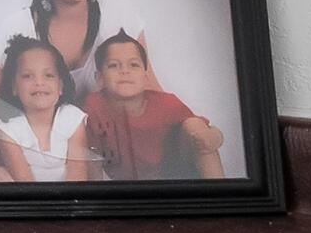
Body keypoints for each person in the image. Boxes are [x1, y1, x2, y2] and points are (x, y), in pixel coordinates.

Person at [78, 32, 225, 180]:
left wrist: (213, 137)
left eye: (133, 65)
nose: (124, 71)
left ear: (145, 76)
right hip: (127, 182)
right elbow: (91, 157)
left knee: (195, 128)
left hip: (173, 172)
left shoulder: (165, 103)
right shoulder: (94, 105)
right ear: (100, 78)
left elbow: (201, 128)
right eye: (114, 65)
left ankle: (219, 189)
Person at [0, 34, 90, 183]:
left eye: (48, 75)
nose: (39, 82)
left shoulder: (73, 119)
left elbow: (78, 172)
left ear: (61, 85)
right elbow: (23, 180)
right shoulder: (9, 130)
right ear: (14, 87)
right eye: (27, 76)